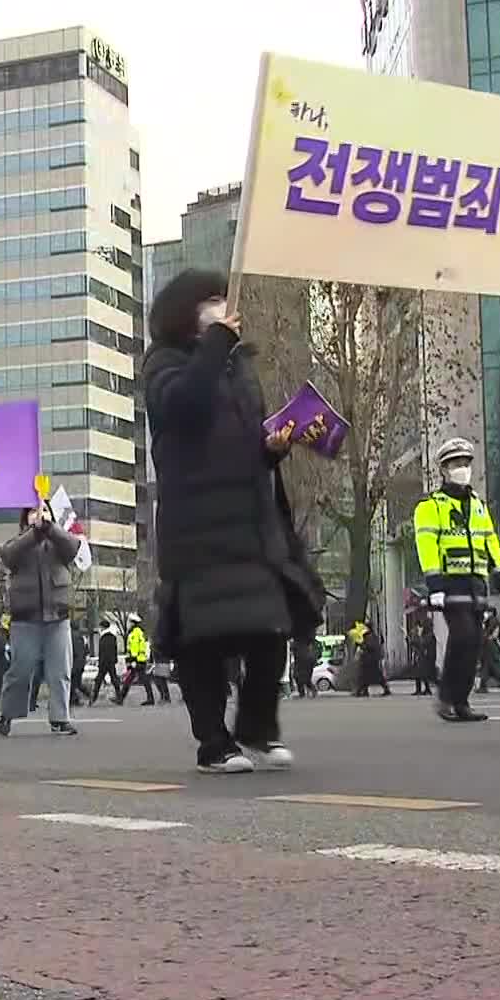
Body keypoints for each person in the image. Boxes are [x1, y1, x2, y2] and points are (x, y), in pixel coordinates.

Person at [141, 269, 325, 774]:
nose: (222, 308)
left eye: (224, 300)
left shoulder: (239, 368)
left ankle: (258, 729)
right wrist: (215, 346)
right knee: (202, 640)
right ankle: (214, 743)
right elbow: (185, 407)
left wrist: (273, 448)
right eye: (212, 301)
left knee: (270, 628)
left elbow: (246, 441)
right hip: (195, 527)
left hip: (250, 522)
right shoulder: (164, 364)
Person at [414, 437, 500, 724]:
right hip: (450, 584)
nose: (463, 469)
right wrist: (434, 588)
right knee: (463, 636)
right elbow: (427, 547)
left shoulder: (478, 506)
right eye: (457, 464)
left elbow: (490, 543)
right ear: (444, 469)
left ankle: (461, 701)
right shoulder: (431, 506)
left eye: (466, 463)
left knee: (474, 642)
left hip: (476, 584)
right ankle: (447, 697)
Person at [0, 502, 84, 738]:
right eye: (33, 511)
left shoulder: (59, 540)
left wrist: (50, 529)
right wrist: (34, 533)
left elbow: (73, 548)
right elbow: (8, 556)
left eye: (43, 510)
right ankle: (8, 714)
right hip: (26, 617)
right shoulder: (20, 542)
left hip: (57, 614)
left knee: (60, 669)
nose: (39, 515)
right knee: (21, 669)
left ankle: (60, 718)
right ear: (25, 518)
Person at [90, 621, 124, 704]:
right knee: (114, 679)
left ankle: (93, 698)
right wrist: (114, 659)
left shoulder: (103, 637)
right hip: (111, 662)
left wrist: (100, 663)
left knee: (98, 680)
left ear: (103, 627)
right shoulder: (112, 637)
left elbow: (102, 652)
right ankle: (119, 697)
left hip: (104, 663)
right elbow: (115, 649)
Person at [352, 620, 388, 697]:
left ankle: (361, 691)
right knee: (366, 676)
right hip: (368, 659)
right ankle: (363, 691)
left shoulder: (370, 636)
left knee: (368, 676)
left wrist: (362, 645)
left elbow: (371, 647)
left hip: (370, 660)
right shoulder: (368, 635)